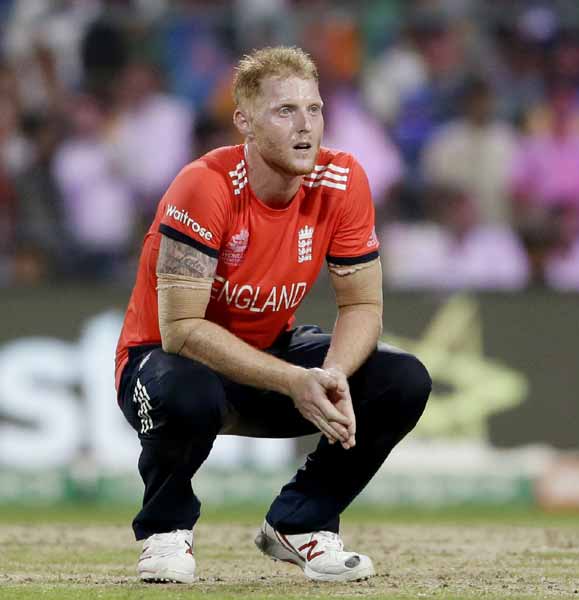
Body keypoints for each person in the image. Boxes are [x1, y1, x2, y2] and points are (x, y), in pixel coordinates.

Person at [113, 46, 431, 584]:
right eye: (285, 111)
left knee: (402, 380)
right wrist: (294, 380)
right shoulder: (204, 185)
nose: (305, 126)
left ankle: (301, 523)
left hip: (267, 359)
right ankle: (166, 531)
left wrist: (329, 375)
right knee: (186, 389)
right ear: (245, 123)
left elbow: (362, 307)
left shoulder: (343, 180)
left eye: (315, 109)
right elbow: (181, 329)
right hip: (162, 363)